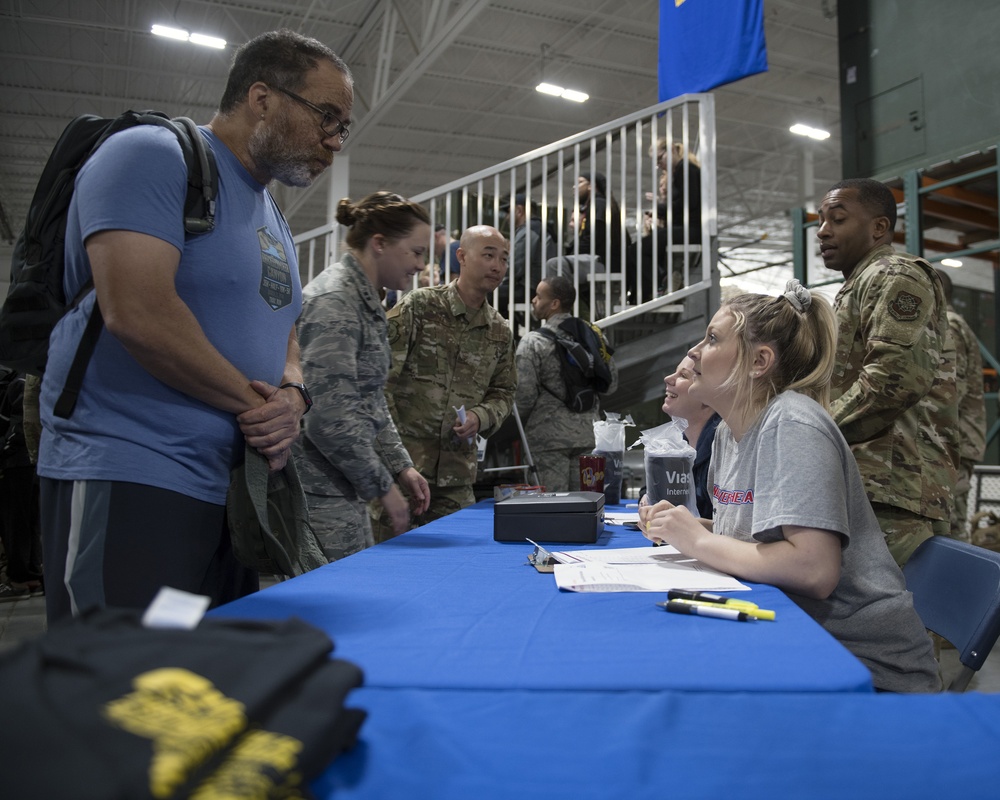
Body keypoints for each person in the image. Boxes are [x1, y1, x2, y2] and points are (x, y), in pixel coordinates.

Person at [36, 29, 354, 622]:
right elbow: (138, 311)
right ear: (262, 98)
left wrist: (293, 394)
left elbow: (286, 329)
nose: (333, 142)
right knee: (119, 677)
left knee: (189, 678)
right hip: (133, 471)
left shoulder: (271, 213)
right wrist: (255, 406)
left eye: (343, 127)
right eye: (326, 117)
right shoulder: (154, 154)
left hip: (225, 494)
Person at [640, 280, 941, 693]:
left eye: (711, 338)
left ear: (758, 361)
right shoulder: (729, 434)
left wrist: (697, 541)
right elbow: (754, 537)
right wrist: (682, 525)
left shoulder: (793, 423)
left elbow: (814, 569)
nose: (693, 352)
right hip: (797, 639)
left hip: (864, 667)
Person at [818, 178, 959, 567]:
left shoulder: (895, 275)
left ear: (878, 227)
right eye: (821, 220)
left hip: (895, 485)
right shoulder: (857, 284)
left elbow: (892, 381)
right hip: (867, 482)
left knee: (894, 617)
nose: (823, 230)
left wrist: (815, 431)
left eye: (838, 219)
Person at [294, 193, 432, 560]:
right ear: (379, 244)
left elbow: (367, 399)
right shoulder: (336, 302)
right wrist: (382, 485)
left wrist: (400, 465)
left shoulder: (366, 300)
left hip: (341, 485)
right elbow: (327, 417)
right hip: (317, 491)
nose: (421, 264)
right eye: (416, 252)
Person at [375, 225, 517, 536]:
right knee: (383, 566)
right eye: (489, 255)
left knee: (458, 569)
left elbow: (504, 392)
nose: (497, 266)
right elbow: (379, 381)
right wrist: (393, 458)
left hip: (455, 479)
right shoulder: (420, 307)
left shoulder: (499, 331)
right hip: (401, 471)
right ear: (462, 257)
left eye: (504, 259)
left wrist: (481, 416)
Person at [515, 276, 618, 492]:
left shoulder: (533, 341)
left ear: (555, 303)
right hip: (589, 437)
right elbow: (611, 384)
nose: (534, 300)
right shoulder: (594, 336)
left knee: (550, 509)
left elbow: (523, 396)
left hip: (547, 441)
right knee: (584, 507)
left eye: (539, 296)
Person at [936, 268, 986, 541]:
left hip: (953, 440)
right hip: (955, 438)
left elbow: (950, 389)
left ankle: (959, 583)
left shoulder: (949, 324)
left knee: (951, 526)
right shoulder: (952, 322)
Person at [0, 369, 44, 601]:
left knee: (15, 521)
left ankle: (19, 579)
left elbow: (13, 425)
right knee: (30, 520)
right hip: (35, 459)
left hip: (17, 461)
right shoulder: (29, 378)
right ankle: (33, 576)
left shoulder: (17, 382)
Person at [659, 355, 720, 519]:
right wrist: (647, 499)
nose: (668, 379)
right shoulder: (678, 440)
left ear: (707, 396)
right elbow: (656, 485)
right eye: (674, 372)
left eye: (683, 375)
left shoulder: (723, 445)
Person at [545, 172, 623, 284]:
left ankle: (562, 300)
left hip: (601, 262)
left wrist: (571, 256)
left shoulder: (599, 203)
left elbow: (595, 236)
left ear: (591, 186)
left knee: (555, 264)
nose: (574, 186)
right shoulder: (596, 204)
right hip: (597, 260)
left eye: (580, 182)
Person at [497, 194, 556, 320]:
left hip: (530, 288)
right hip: (539, 287)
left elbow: (514, 267)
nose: (507, 217)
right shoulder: (540, 228)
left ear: (519, 210)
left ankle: (503, 336)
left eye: (508, 212)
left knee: (486, 294)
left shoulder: (530, 229)